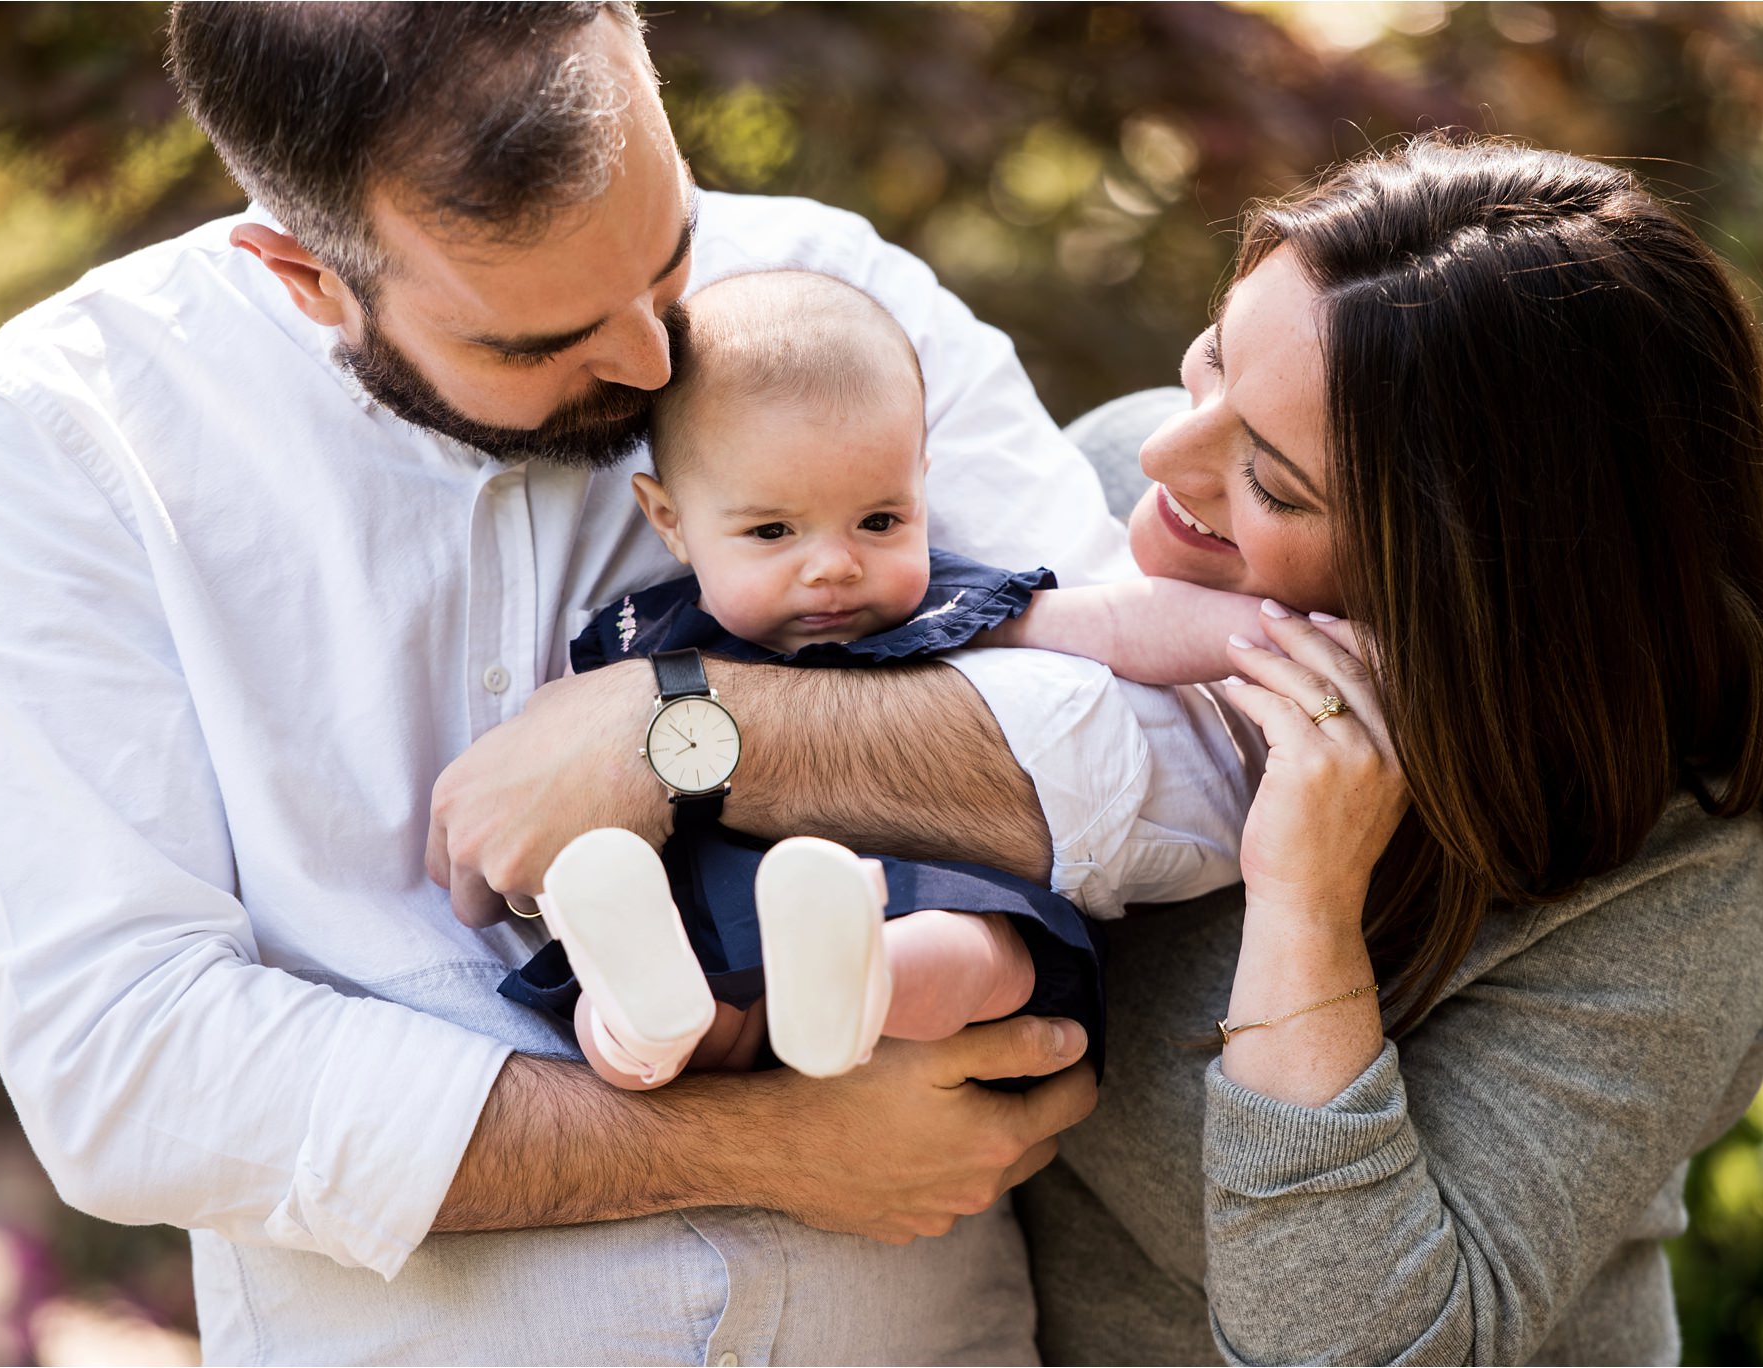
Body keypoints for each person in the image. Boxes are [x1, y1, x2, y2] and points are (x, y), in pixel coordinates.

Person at [0, 4, 1252, 1362]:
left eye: (669, 263)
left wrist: (696, 729)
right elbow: (126, 1063)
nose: (658, 362)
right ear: (306, 275)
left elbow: (1200, 763)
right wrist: (767, 1146)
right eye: (537, 343)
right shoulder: (62, 439)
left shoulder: (831, 299)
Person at [1004, 134, 1763, 1364]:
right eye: (1212, 359)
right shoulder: (1100, 494)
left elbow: (1355, 1349)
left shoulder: (1685, 873)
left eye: (1276, 487)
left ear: (1477, 582)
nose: (1160, 457)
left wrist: (1305, 903)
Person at [503, 269, 1266, 1092]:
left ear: (920, 483)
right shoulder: (637, 643)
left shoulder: (943, 599)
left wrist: (1283, 637)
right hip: (706, 917)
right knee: (611, 1003)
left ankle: (859, 971)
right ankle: (645, 1013)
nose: (834, 565)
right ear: (671, 522)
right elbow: (560, 774)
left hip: (907, 887)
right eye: (771, 531)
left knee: (987, 945)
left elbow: (1116, 621)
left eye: (879, 520)